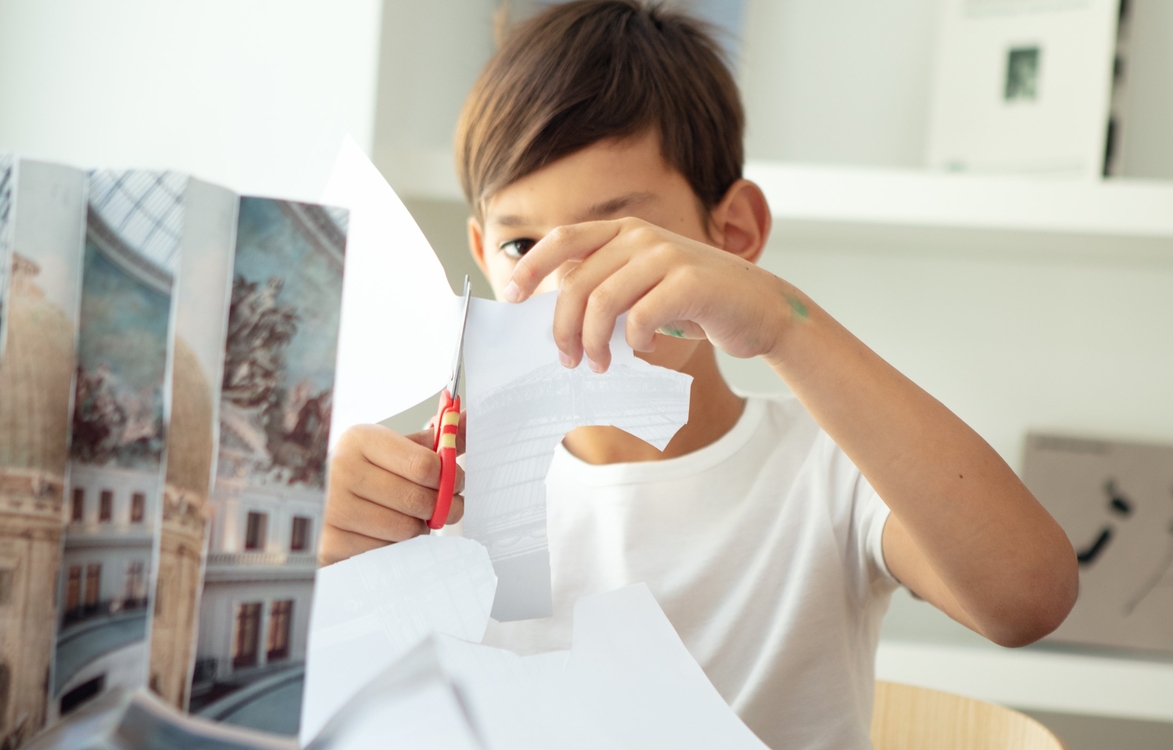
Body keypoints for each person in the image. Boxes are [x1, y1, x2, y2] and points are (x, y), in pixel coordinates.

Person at [319, 2, 1078, 747]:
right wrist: (312, 556)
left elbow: (1028, 599)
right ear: (484, 256)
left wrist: (784, 321)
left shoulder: (828, 473)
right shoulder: (436, 491)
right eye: (524, 248)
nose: (567, 291)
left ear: (734, 234)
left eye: (619, 238)